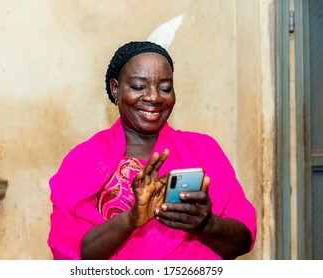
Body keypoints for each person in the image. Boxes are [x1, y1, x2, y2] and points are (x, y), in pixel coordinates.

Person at [48, 41, 257, 260]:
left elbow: (242, 241)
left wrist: (208, 224)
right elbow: (74, 254)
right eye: (139, 86)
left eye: (165, 88)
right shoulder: (84, 160)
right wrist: (130, 220)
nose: (154, 97)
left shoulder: (203, 151)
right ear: (115, 89)